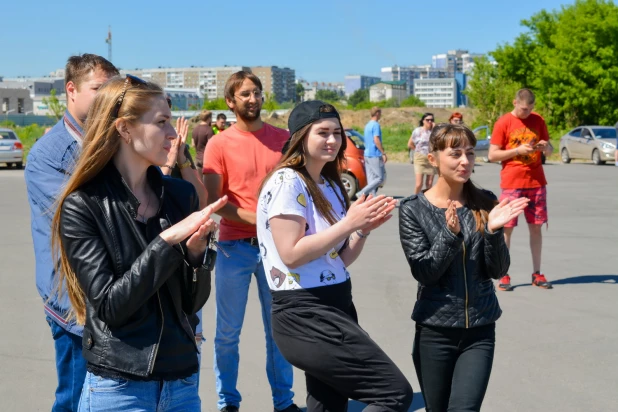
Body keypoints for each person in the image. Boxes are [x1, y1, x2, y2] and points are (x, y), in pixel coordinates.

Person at [51, 75, 228, 411]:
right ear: (124, 129)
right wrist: (166, 242)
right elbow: (111, 307)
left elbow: (193, 304)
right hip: (119, 387)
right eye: (161, 122)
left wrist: (194, 256)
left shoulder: (181, 195)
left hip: (182, 383)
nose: (174, 134)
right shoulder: (83, 205)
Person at [257, 100, 413, 412]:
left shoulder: (328, 183)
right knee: (394, 394)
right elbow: (291, 254)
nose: (332, 140)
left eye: (337, 133)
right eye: (323, 132)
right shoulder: (287, 181)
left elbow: (338, 260)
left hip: (336, 304)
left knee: (326, 405)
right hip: (305, 312)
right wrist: (349, 223)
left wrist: (362, 229)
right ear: (301, 137)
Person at [399, 123, 529, 412]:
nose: (465, 161)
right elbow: (425, 272)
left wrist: (494, 232)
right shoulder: (413, 209)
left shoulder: (485, 202)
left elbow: (497, 270)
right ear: (433, 159)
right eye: (455, 153)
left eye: (470, 153)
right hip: (435, 330)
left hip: (480, 329)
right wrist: (449, 235)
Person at [25, 53, 118, 412]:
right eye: (98, 88)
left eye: (112, 89)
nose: (107, 97)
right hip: (73, 304)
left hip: (110, 296)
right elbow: (86, 220)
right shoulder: (49, 154)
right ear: (71, 90)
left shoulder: (112, 141)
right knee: (75, 397)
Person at [202, 71, 299, 412]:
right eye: (245, 94)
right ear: (231, 101)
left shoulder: (284, 139)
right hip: (234, 249)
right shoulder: (218, 144)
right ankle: (228, 402)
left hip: (278, 251)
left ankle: (284, 402)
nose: (253, 99)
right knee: (228, 334)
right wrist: (261, 222)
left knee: (279, 332)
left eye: (257, 93)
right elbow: (215, 200)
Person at [488, 88, 554, 291]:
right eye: (524, 109)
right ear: (515, 102)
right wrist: (517, 150)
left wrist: (545, 148)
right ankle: (504, 274)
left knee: (536, 227)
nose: (527, 113)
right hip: (512, 182)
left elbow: (550, 149)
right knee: (507, 229)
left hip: (536, 182)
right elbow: (492, 155)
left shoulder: (538, 120)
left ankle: (537, 272)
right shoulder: (503, 122)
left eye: (531, 109)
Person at [356, 107, 386, 198]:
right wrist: (383, 152)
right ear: (377, 113)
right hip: (374, 154)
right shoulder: (376, 125)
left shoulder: (368, 125)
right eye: (380, 113)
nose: (380, 115)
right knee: (380, 178)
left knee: (371, 179)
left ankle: (372, 197)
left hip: (367, 154)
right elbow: (376, 139)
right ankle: (362, 193)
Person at [408, 113, 436, 194]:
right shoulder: (417, 131)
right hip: (420, 157)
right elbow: (410, 144)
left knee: (429, 184)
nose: (430, 121)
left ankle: (428, 201)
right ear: (423, 121)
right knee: (419, 184)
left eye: (432, 120)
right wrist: (418, 150)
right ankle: (414, 200)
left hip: (431, 158)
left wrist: (435, 128)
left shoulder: (434, 132)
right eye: (427, 120)